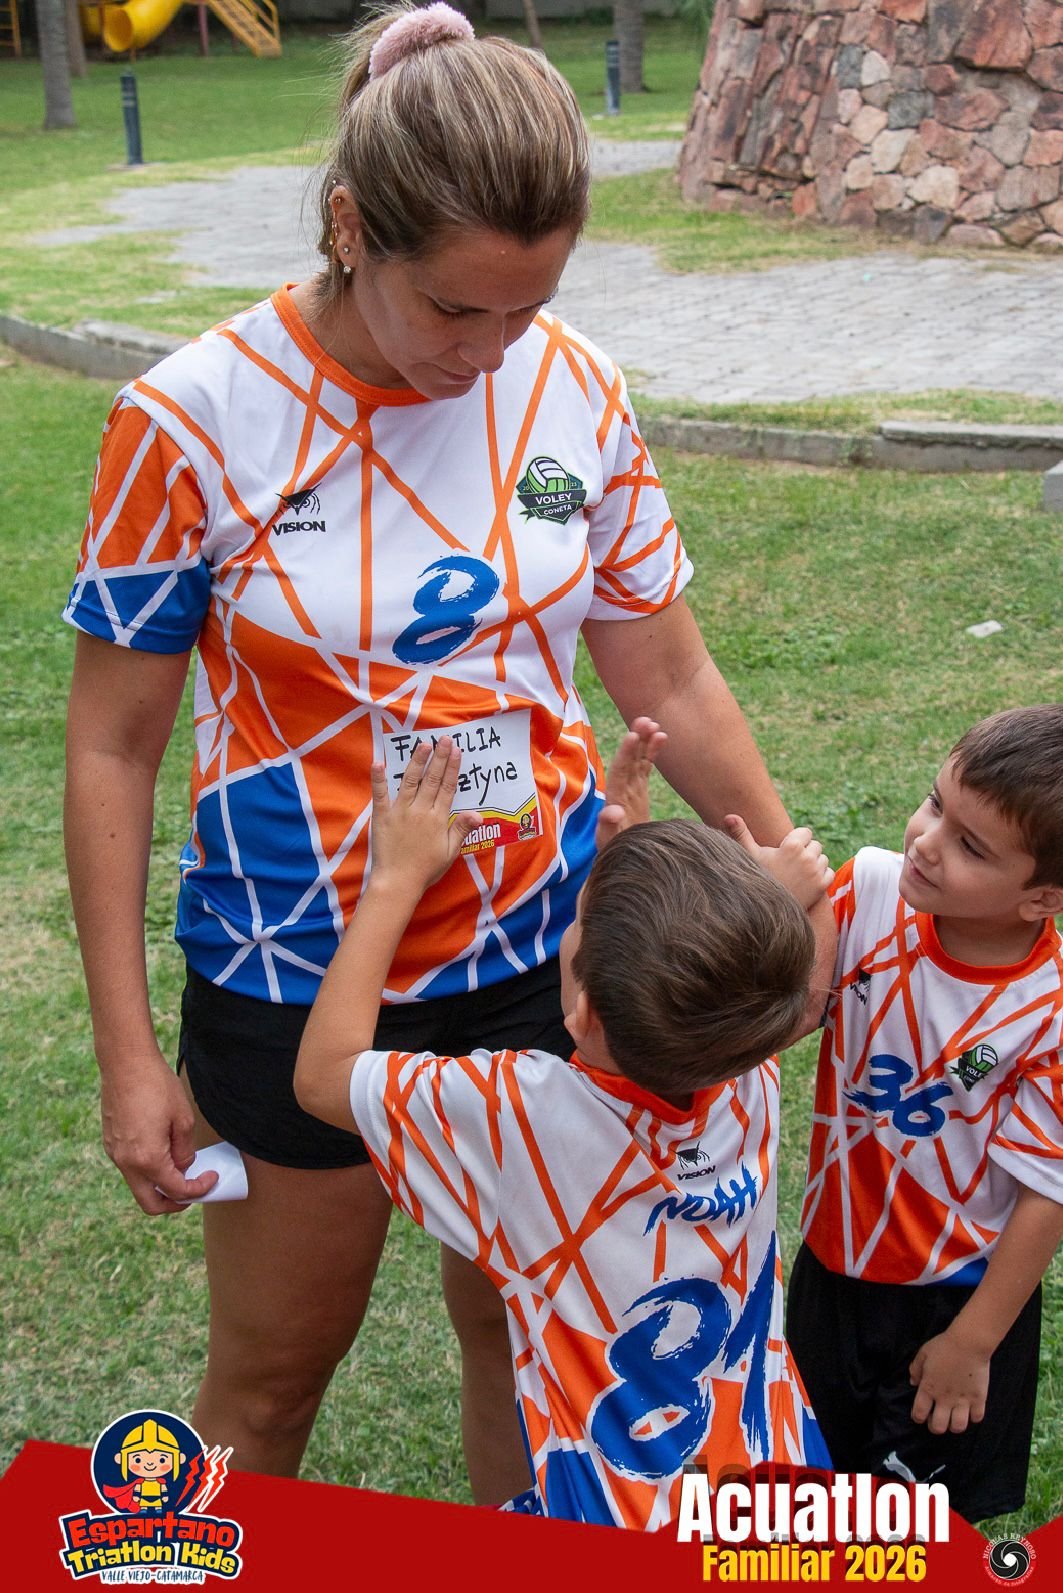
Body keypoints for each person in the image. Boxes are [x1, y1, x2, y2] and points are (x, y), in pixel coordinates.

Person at [63, 3, 830, 1498]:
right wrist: (127, 1052)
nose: (484, 358)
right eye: (451, 311)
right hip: (293, 971)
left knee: (526, 1334)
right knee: (273, 1373)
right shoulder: (188, 419)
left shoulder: (574, 388)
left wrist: (775, 894)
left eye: (521, 313)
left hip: (542, 948)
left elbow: (667, 665)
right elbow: (111, 744)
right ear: (353, 227)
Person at [293, 732, 834, 1526]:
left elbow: (322, 1075)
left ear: (582, 1014)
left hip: (607, 1512)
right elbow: (720, 981)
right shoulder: (746, 1070)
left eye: (576, 920)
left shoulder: (521, 1117)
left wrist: (395, 878)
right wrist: (665, 881)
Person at [787, 705, 1063, 1523]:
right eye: (935, 803)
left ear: (1042, 897)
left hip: (954, 1297)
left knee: (909, 1528)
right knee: (806, 1494)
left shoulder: (1046, 1014)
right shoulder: (868, 890)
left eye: (971, 846)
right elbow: (783, 1009)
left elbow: (1046, 1192)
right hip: (828, 1268)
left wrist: (973, 1341)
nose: (925, 841)